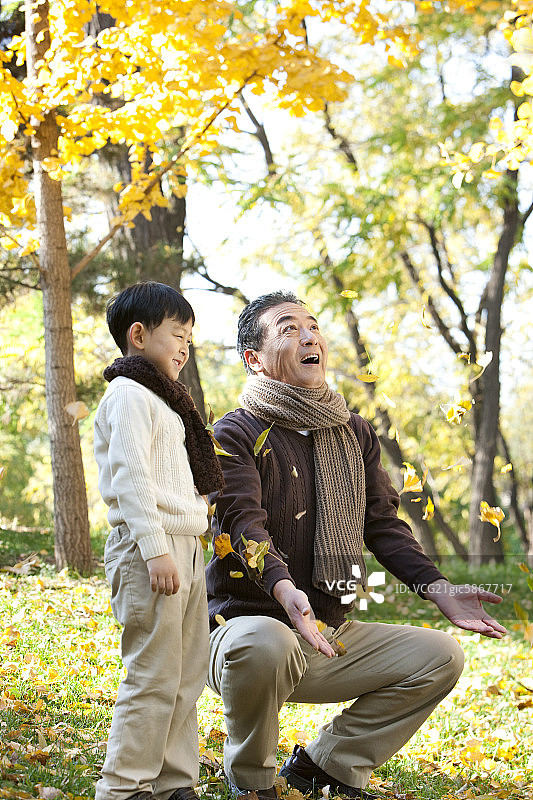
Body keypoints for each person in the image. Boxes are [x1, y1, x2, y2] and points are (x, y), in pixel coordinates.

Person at [205, 290, 507, 800]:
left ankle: (328, 766)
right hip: (241, 634)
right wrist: (283, 590)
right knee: (267, 640)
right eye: (287, 328)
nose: (308, 336)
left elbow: (383, 525)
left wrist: (437, 587)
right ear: (254, 359)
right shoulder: (233, 433)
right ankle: (253, 782)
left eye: (313, 326)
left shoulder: (353, 432)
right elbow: (242, 526)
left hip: (328, 633)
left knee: (441, 655)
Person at [93, 282, 224, 800]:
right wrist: (155, 549)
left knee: (187, 673)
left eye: (190, 338)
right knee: (152, 674)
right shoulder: (127, 395)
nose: (185, 348)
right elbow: (132, 480)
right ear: (139, 335)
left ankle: (174, 783)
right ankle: (124, 788)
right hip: (151, 546)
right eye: (178, 335)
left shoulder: (168, 403)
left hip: (185, 545)